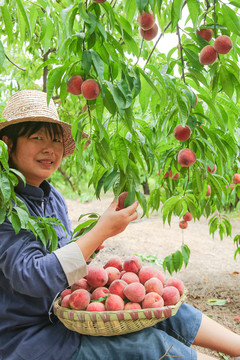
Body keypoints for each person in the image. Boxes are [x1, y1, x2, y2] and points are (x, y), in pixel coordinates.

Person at [0, 90, 239, 360]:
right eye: (37, 137)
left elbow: (62, 259)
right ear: (8, 143)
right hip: (28, 339)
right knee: (147, 345)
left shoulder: (51, 196)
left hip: (66, 315)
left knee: (155, 302)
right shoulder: (4, 205)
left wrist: (93, 241)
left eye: (55, 139)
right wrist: (101, 230)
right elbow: (31, 276)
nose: (50, 149)